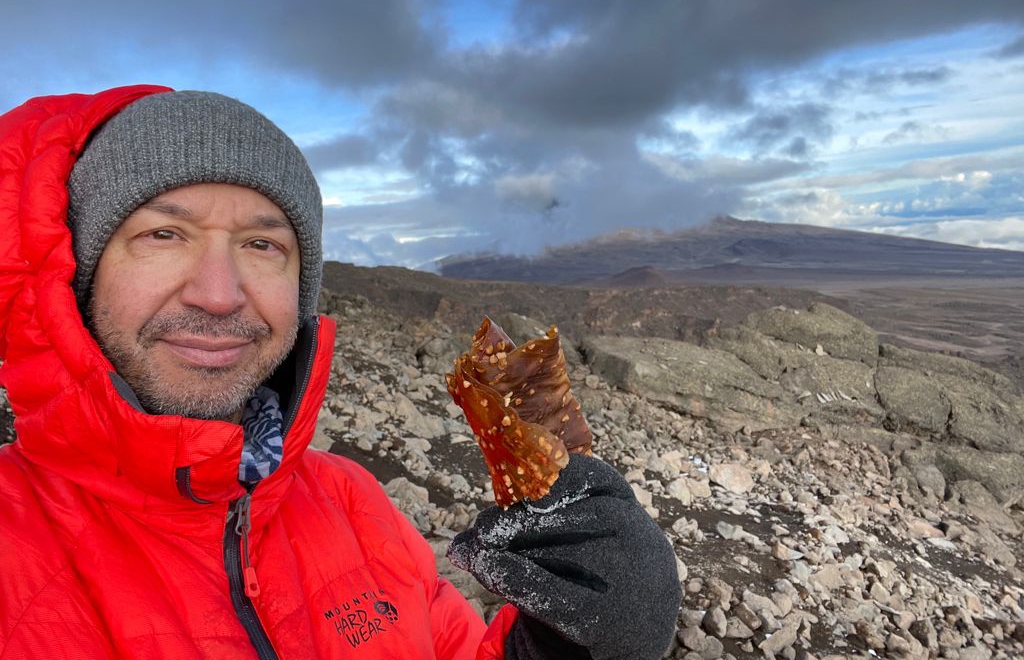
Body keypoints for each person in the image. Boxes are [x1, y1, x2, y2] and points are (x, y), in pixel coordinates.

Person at [0, 86, 680, 659]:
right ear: (80, 273)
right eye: (163, 234)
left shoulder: (352, 501)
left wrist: (560, 648)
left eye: (262, 244)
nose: (218, 293)